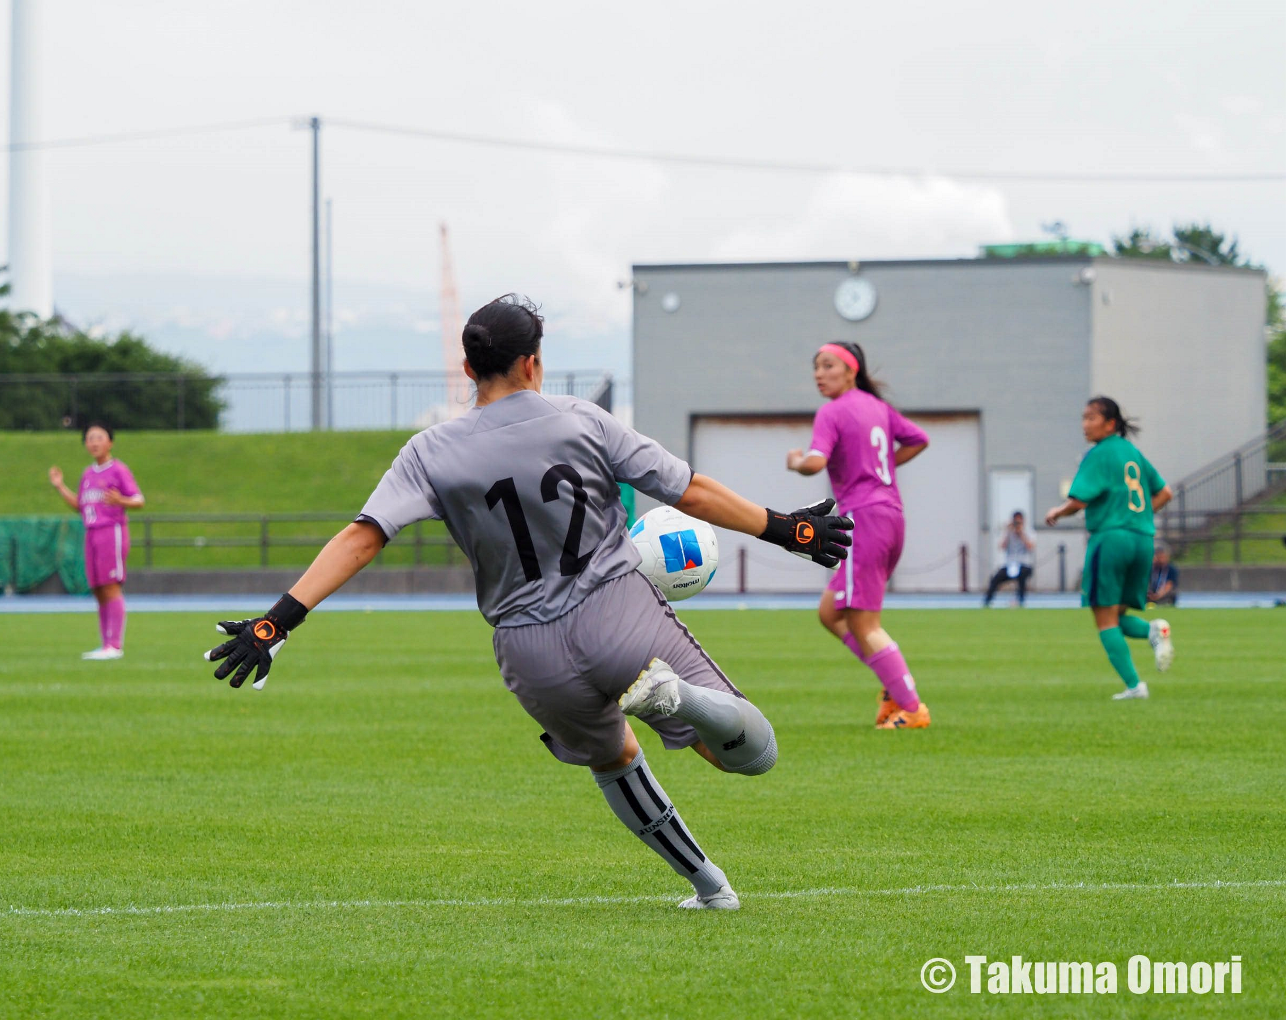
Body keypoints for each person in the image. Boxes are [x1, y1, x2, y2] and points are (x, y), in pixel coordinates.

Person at [203, 295, 854, 910]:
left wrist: (273, 624)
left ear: (468, 369)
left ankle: (711, 886)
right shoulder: (581, 420)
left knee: (615, 760)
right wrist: (786, 528)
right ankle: (676, 700)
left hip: (528, 648)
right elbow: (690, 491)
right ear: (533, 361)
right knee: (746, 752)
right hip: (616, 610)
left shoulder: (429, 451)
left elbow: (363, 537)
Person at [785, 342, 932, 730]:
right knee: (830, 613)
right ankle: (893, 687)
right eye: (816, 367)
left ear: (851, 371)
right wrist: (882, 468)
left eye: (828, 365)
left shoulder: (832, 411)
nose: (819, 374)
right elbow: (919, 439)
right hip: (890, 516)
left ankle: (912, 708)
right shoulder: (878, 407)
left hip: (864, 518)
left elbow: (815, 461)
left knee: (865, 625)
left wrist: (796, 461)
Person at [1045, 397, 1174, 699]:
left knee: (1103, 616)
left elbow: (1079, 501)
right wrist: (1137, 517)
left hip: (1111, 539)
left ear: (1110, 424)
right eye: (1084, 418)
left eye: (1091, 418)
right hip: (1142, 540)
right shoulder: (1132, 453)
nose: (1085, 424)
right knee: (1116, 612)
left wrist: (1057, 512)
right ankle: (1153, 631)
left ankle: (1135, 686)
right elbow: (1165, 492)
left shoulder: (1099, 454)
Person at [49, 421, 145, 660]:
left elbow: (139, 500)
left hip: (110, 532)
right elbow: (80, 506)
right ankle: (105, 645)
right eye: (90, 438)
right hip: (90, 533)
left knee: (111, 587)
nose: (94, 442)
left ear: (110, 442)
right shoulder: (88, 473)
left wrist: (120, 500)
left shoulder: (118, 469)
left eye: (99, 437)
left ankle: (115, 645)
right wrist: (60, 487)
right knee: (98, 589)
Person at [983, 511, 1036, 607]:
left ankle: (1021, 600)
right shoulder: (1008, 532)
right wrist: (1007, 531)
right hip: (1010, 563)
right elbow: (1001, 547)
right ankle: (987, 601)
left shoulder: (1029, 531)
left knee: (1022, 576)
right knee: (995, 578)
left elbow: (1030, 547)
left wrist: (1021, 534)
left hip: (1024, 563)